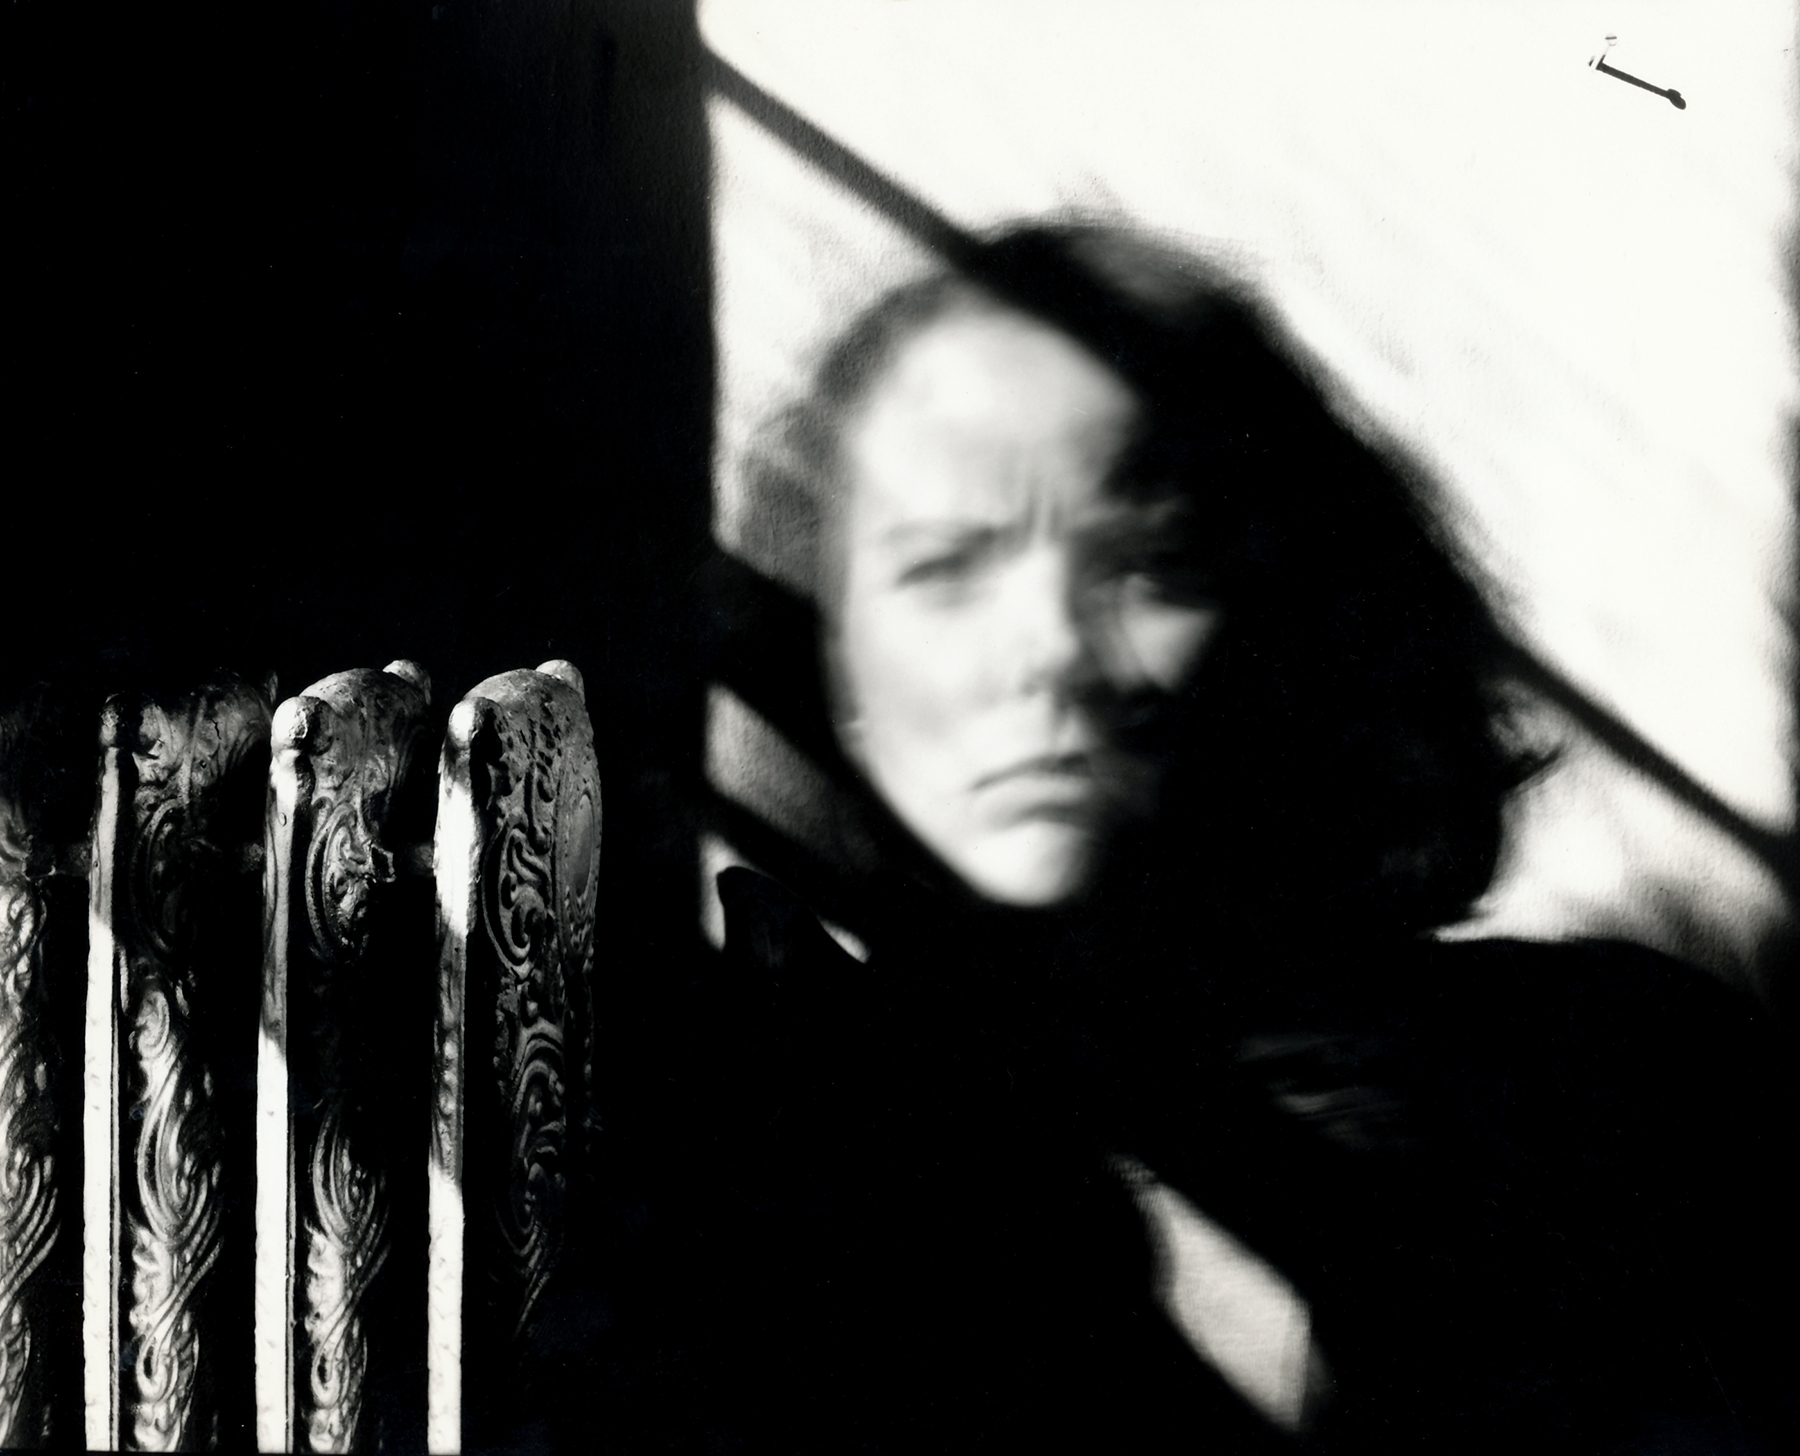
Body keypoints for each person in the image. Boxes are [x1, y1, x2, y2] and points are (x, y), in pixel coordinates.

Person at [573, 225, 1799, 1454]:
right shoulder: (746, 1191)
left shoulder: (1639, 1090)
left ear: (1295, 613)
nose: (1050, 644)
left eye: (1152, 557)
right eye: (944, 567)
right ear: (831, 659)